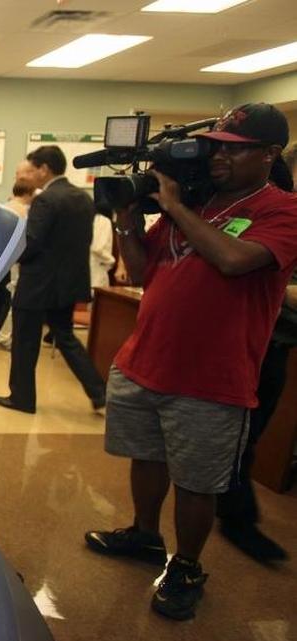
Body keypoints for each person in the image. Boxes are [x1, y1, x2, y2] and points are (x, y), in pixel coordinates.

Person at [84, 103, 297, 621]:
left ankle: (186, 565)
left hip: (213, 377)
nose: (220, 157)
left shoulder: (282, 210)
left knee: (197, 481)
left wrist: (175, 207)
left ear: (269, 155)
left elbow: (234, 260)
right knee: (146, 457)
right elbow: (141, 273)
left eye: (235, 150)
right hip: (145, 360)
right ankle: (145, 534)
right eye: (217, 146)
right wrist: (128, 219)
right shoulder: (197, 203)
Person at [214, 140, 297, 563]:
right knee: (238, 437)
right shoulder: (264, 205)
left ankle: (233, 511)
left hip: (273, 343)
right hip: (257, 343)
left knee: (245, 436)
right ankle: (236, 516)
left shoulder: (282, 211)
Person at [0, 145, 106, 414]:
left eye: (33, 170)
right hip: (68, 283)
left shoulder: (45, 200)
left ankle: (22, 397)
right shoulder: (82, 198)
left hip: (38, 283)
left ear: (44, 169)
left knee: (25, 342)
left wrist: (8, 255)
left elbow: (31, 243)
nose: (29, 176)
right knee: (65, 337)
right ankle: (99, 391)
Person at [0, 173, 36, 351]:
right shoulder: (24, 212)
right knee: (14, 299)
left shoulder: (3, 207)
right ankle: (5, 336)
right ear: (29, 193)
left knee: (2, 298)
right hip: (16, 260)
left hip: (0, 257)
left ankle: (1, 333)